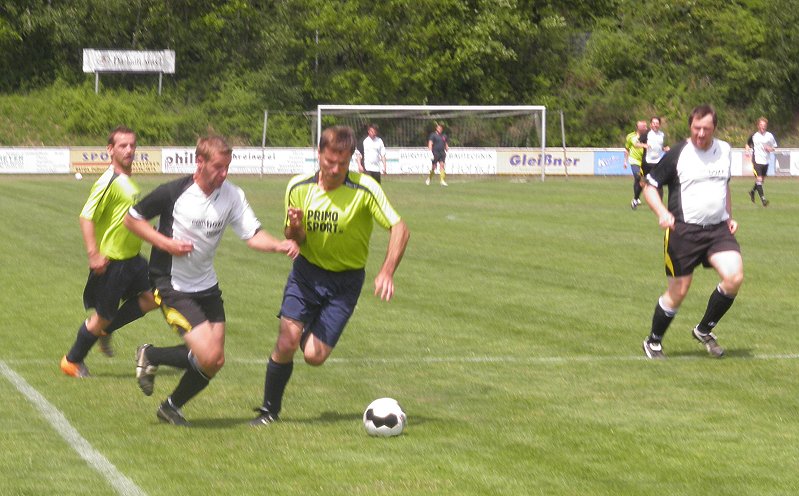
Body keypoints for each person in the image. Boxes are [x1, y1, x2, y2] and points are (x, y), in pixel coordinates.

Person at [124, 135, 299, 426]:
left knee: (214, 361)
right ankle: (151, 355)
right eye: (218, 167)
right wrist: (165, 244)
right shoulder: (174, 192)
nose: (224, 173)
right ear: (200, 162)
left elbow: (253, 235)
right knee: (209, 354)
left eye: (227, 167)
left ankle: (170, 406)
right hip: (171, 284)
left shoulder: (232, 195)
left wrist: (278, 245)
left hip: (206, 284)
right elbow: (131, 219)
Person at [250, 125, 410, 426]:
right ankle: (269, 411)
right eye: (330, 161)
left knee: (314, 356)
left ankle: (304, 325)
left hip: (345, 283)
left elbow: (400, 228)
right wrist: (295, 227)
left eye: (343, 163)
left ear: (351, 159)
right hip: (306, 275)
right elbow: (294, 237)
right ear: (319, 154)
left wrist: (387, 271)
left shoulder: (365, 189)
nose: (335, 169)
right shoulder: (298, 187)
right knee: (286, 342)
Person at [641, 104, 743, 360]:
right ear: (690, 127)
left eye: (706, 129)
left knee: (734, 277)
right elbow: (649, 187)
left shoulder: (725, 151)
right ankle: (653, 341)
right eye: (696, 128)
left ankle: (703, 329)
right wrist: (662, 213)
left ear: (714, 128)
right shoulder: (678, 154)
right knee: (679, 291)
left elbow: (724, 186)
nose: (700, 133)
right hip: (683, 231)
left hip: (718, 230)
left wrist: (729, 215)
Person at [61, 126, 158, 378]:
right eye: (123, 145)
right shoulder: (109, 181)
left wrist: (153, 232)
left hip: (133, 258)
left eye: (132, 145)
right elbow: (86, 216)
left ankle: (107, 329)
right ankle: (72, 361)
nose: (129, 150)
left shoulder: (127, 180)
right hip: (112, 262)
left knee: (155, 297)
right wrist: (93, 254)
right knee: (102, 317)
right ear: (110, 149)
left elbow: (128, 218)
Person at [745, 117, 777, 207]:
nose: (763, 126)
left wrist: (770, 149)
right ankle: (763, 200)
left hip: (766, 161)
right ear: (758, 126)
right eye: (761, 125)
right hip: (756, 160)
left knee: (761, 180)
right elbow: (747, 144)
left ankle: (752, 192)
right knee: (759, 179)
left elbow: (774, 147)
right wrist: (747, 151)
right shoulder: (754, 136)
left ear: (766, 126)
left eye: (764, 125)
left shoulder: (769, 136)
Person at [625, 120, 648, 209]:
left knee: (642, 180)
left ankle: (636, 197)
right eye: (643, 126)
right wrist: (625, 161)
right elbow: (627, 149)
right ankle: (636, 198)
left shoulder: (648, 136)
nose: (646, 128)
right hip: (634, 160)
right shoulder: (630, 136)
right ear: (638, 127)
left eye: (646, 126)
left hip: (645, 161)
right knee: (638, 177)